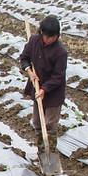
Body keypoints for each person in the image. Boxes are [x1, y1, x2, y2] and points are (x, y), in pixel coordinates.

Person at [19, 15, 68, 150]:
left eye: (51, 37)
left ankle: (49, 150)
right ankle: (42, 148)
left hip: (53, 93)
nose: (47, 40)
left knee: (50, 125)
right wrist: (29, 71)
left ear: (57, 36)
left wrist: (44, 89)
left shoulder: (60, 52)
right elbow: (24, 58)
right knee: (37, 122)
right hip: (37, 87)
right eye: (45, 36)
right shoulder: (34, 41)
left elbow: (58, 76)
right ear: (41, 33)